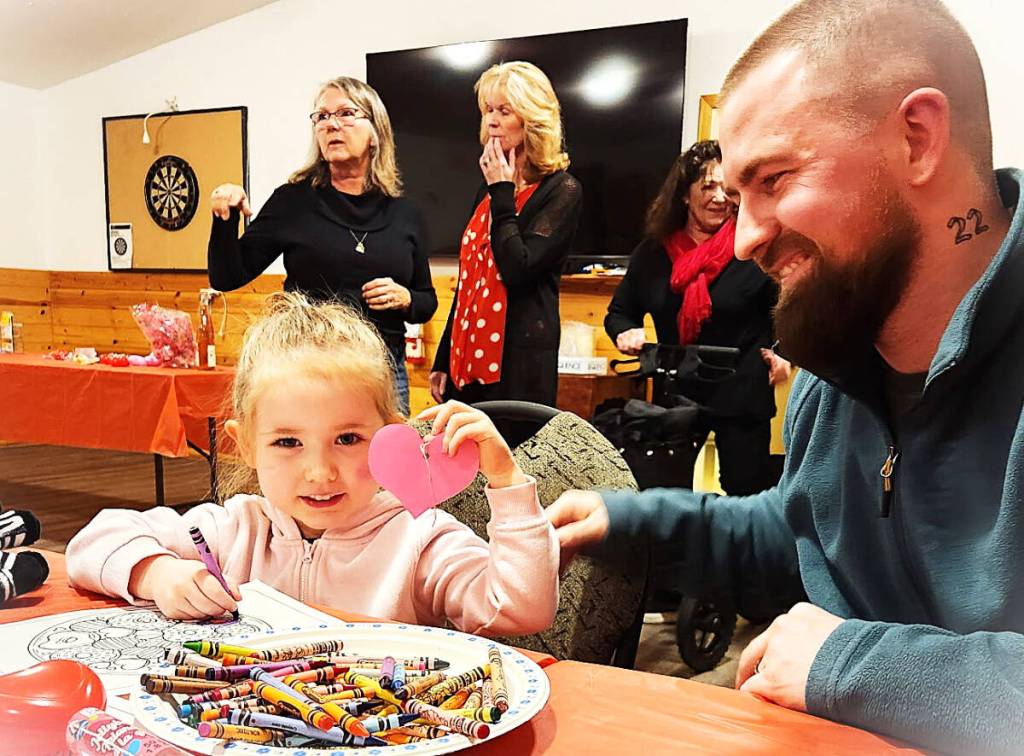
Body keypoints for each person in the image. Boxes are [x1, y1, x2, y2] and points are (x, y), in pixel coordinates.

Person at [545, 0, 1024, 751]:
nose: (743, 241)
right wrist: (635, 520)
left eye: (774, 179)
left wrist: (849, 663)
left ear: (918, 137)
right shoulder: (839, 354)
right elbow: (808, 530)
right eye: (738, 198)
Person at [66, 293, 558, 637]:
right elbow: (93, 541)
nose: (320, 472)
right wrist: (157, 574)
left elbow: (522, 611)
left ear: (391, 434)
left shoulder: (420, 539)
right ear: (244, 446)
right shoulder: (233, 529)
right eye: (286, 442)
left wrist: (507, 483)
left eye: (348, 438)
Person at [207, 76, 437, 413]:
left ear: (375, 131)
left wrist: (406, 298)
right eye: (322, 117)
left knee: (385, 466)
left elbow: (426, 300)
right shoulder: (293, 202)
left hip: (384, 371)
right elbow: (226, 276)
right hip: (307, 367)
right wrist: (224, 216)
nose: (331, 125)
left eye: (345, 113)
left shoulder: (406, 214)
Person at [605, 140, 791, 495]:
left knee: (745, 489)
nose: (719, 197)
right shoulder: (654, 252)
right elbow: (620, 312)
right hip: (676, 392)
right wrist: (626, 332)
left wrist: (783, 353)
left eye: (727, 188)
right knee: (663, 490)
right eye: (708, 186)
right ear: (685, 195)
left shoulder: (754, 245)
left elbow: (786, 309)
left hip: (742, 392)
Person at [430, 61, 583, 407]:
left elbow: (517, 268)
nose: (492, 120)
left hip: (518, 368)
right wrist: (443, 358)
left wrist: (502, 191)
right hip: (465, 362)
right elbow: (469, 282)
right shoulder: (486, 193)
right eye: (487, 110)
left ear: (532, 118)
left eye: (504, 110)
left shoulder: (562, 190)